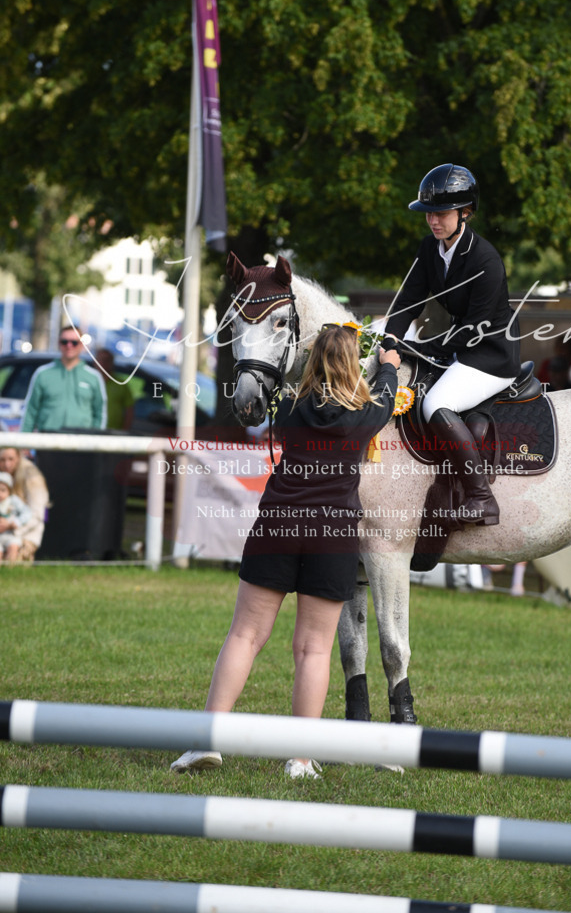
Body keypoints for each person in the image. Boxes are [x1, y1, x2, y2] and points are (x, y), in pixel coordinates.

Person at [171, 325, 400, 779]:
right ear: (353, 366)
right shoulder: (366, 412)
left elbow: (293, 380)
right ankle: (299, 759)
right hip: (332, 533)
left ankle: (205, 741)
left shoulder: (289, 407)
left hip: (277, 524)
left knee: (244, 636)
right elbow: (388, 389)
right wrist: (388, 362)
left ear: (313, 363)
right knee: (313, 649)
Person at [383, 164, 520, 527]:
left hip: (491, 353)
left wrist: (419, 347)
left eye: (441, 214)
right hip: (462, 347)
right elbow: (408, 301)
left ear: (465, 213)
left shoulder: (485, 259)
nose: (433, 221)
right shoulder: (429, 249)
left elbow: (475, 329)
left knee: (435, 403)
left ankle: (481, 498)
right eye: (429, 214)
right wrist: (390, 340)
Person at [21, 325, 107, 432]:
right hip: (47, 437)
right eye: (64, 342)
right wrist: (24, 438)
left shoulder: (94, 377)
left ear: (81, 344)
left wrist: (96, 438)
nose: (69, 346)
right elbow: (30, 410)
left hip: (82, 438)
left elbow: (100, 413)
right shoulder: (42, 373)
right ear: (59, 343)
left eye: (74, 342)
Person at [0, 447, 50, 560]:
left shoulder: (32, 475)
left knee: (13, 559)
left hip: (25, 534)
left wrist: (10, 526)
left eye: (11, 459)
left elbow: (37, 515)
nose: (6, 464)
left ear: (18, 457)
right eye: (2, 460)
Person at [0, 471, 37, 563]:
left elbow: (27, 512)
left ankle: (10, 568)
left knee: (13, 547)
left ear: (9, 491)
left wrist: (16, 522)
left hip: (11, 534)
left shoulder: (13, 501)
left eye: (3, 490)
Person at [95, 348, 135, 431]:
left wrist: (124, 431)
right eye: (100, 359)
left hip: (114, 432)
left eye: (107, 360)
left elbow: (129, 410)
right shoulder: (87, 382)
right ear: (95, 362)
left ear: (112, 363)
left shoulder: (120, 383)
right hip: (89, 431)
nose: (103, 363)